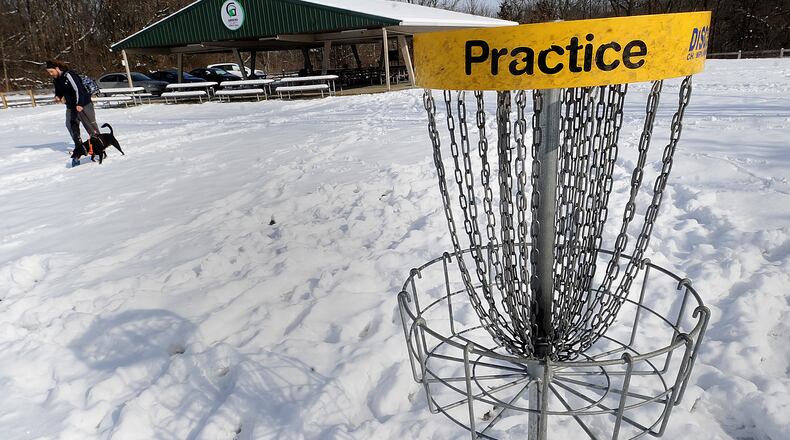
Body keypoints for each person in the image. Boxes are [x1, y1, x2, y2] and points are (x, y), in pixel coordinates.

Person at [45, 60, 100, 166]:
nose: (50, 74)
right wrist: (58, 96)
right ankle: (79, 146)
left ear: (57, 68)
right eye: (49, 72)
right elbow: (59, 90)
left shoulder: (69, 75)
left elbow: (78, 89)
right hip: (71, 106)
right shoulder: (56, 79)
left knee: (90, 126)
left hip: (83, 104)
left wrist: (79, 103)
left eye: (51, 71)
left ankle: (98, 147)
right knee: (70, 125)